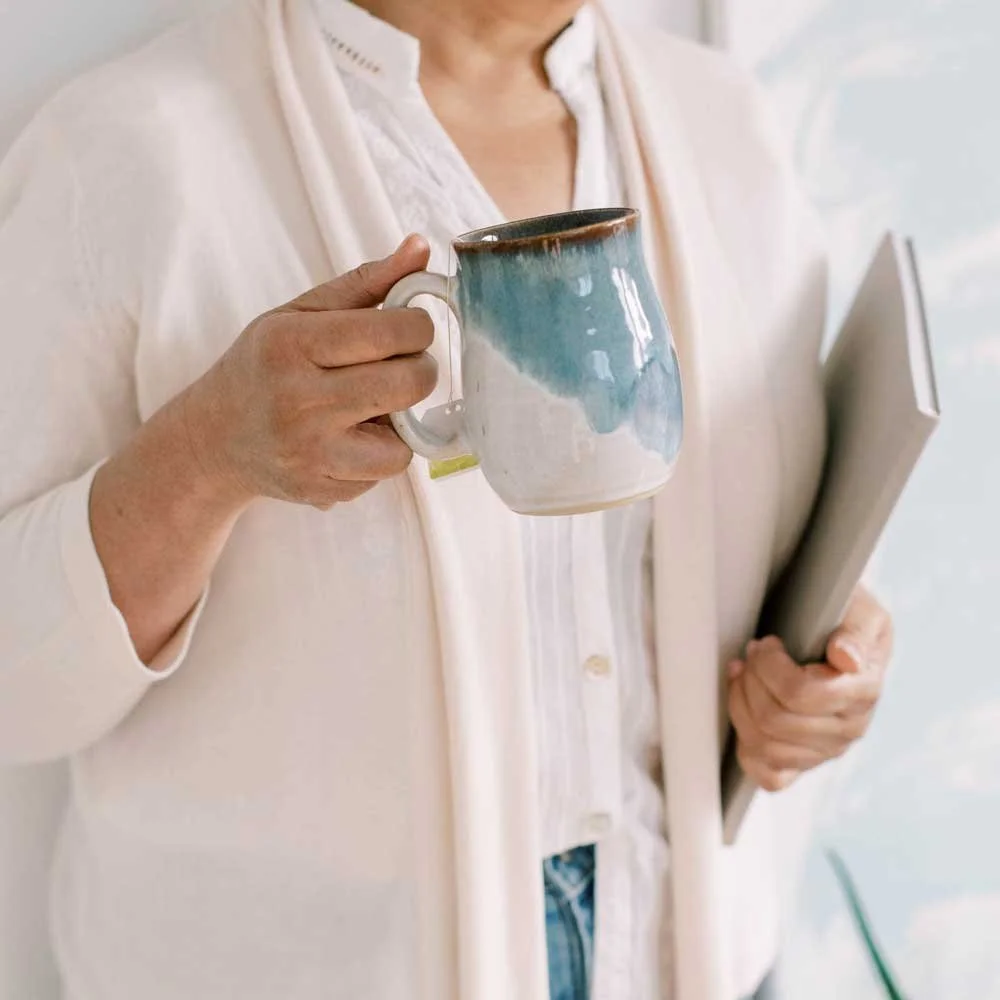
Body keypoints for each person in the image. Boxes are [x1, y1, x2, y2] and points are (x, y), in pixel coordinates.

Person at [0, 0, 894, 998]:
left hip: (694, 953)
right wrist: (209, 452)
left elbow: (787, 514)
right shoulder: (132, 151)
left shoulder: (721, 121)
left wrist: (830, 661)